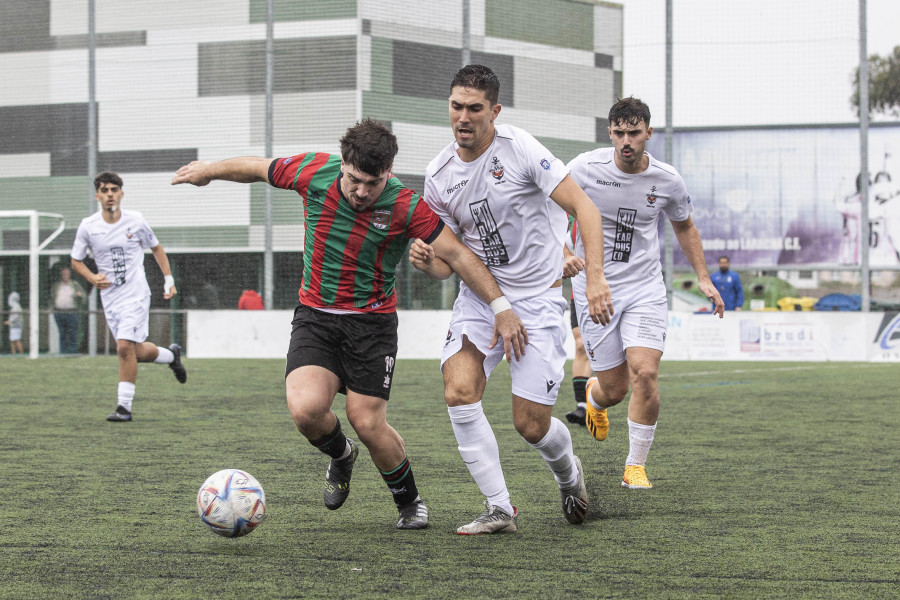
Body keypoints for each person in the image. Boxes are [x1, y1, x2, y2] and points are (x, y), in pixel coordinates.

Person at [171, 118, 527, 531]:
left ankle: (409, 501)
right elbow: (257, 167)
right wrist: (208, 171)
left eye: (372, 183)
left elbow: (460, 256)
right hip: (316, 318)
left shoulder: (405, 205)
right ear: (342, 164)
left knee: (368, 421)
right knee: (305, 411)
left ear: (388, 173)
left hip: (371, 327)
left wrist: (501, 306)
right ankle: (342, 456)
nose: (361, 191)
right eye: (354, 179)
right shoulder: (312, 171)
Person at [409, 65, 610, 534]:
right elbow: (448, 260)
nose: (463, 117)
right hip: (480, 299)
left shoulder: (519, 148)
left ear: (494, 111)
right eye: (456, 106)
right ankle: (499, 507)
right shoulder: (438, 174)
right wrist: (427, 262)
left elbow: (585, 207)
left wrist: (595, 278)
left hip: (538, 302)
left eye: (475, 108)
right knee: (459, 391)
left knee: (531, 425)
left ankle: (569, 475)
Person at [567, 97, 724, 490]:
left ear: (648, 133)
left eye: (634, 133)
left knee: (646, 373)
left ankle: (635, 466)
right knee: (615, 388)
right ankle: (595, 397)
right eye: (619, 133)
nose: (626, 141)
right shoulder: (585, 168)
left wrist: (703, 277)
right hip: (594, 287)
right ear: (610, 133)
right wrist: (564, 252)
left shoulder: (668, 179)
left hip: (645, 288)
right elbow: (547, 209)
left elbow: (684, 226)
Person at [70, 172, 187, 422]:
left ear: (121, 194)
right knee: (133, 350)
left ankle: (124, 408)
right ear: (97, 196)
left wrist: (169, 279)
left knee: (123, 347)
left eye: (114, 189)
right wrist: (91, 278)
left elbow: (156, 247)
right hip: (110, 299)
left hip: (135, 294)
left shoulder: (136, 221)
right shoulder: (88, 226)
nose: (110, 194)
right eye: (104, 190)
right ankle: (170, 355)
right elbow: (75, 260)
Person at [562, 220, 593, 427]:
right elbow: (556, 239)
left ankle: (601, 398)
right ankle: (582, 406)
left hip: (617, 288)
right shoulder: (568, 213)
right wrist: (567, 257)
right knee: (581, 345)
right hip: (580, 291)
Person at [52, 266, 85, 353]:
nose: (65, 275)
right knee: (62, 333)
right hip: (59, 312)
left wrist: (79, 296)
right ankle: (62, 352)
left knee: (72, 333)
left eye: (67, 274)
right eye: (63, 274)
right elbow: (52, 297)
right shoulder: (57, 286)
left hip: (72, 312)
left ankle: (72, 352)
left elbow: (83, 297)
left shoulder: (74, 285)